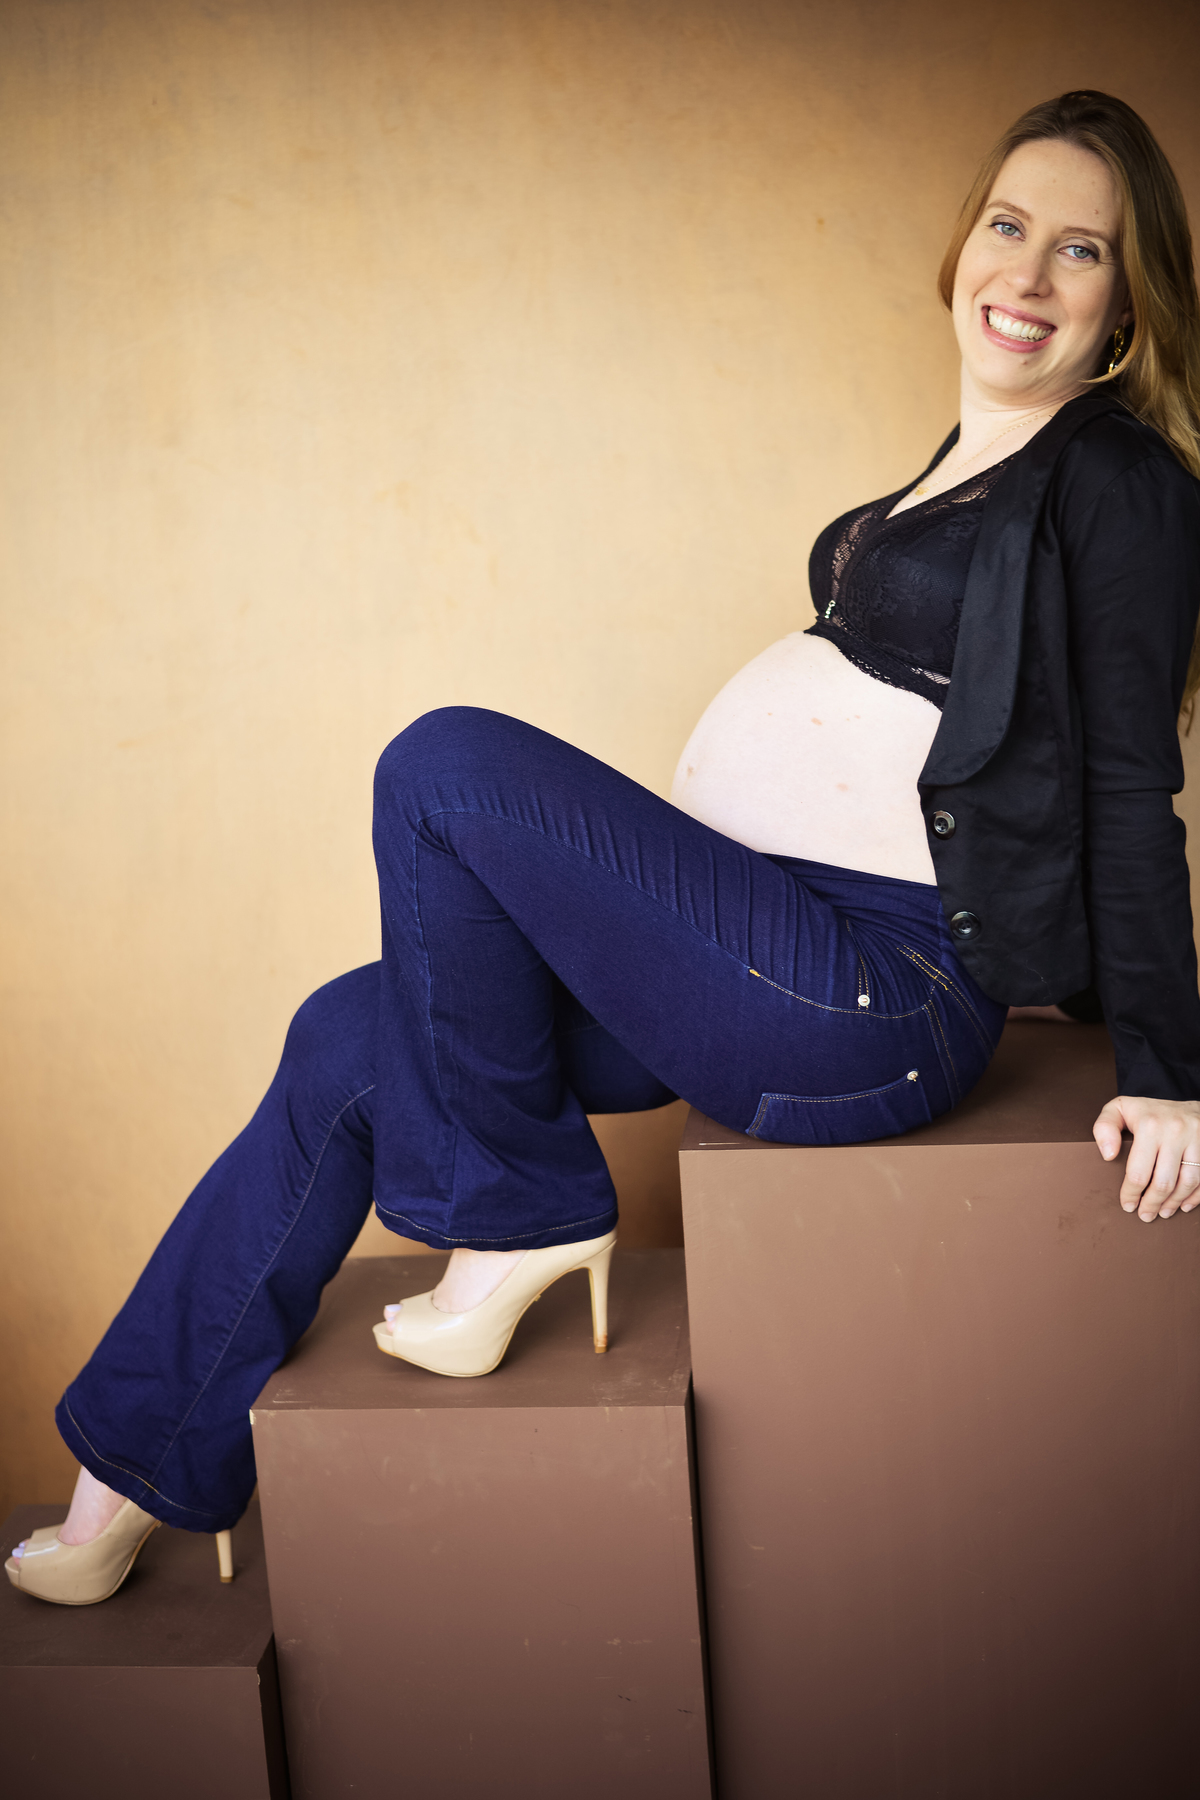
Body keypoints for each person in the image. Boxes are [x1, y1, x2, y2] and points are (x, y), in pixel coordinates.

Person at [10, 89, 1200, 1606]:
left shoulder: (1120, 482)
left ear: (1127, 303)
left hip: (872, 990)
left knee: (441, 764)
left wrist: (1168, 1069)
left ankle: (516, 1214)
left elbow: (1124, 781)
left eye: (1079, 250)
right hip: (762, 940)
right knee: (348, 1035)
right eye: (1007, 226)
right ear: (964, 246)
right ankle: (133, 1475)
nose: (1026, 274)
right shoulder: (954, 467)